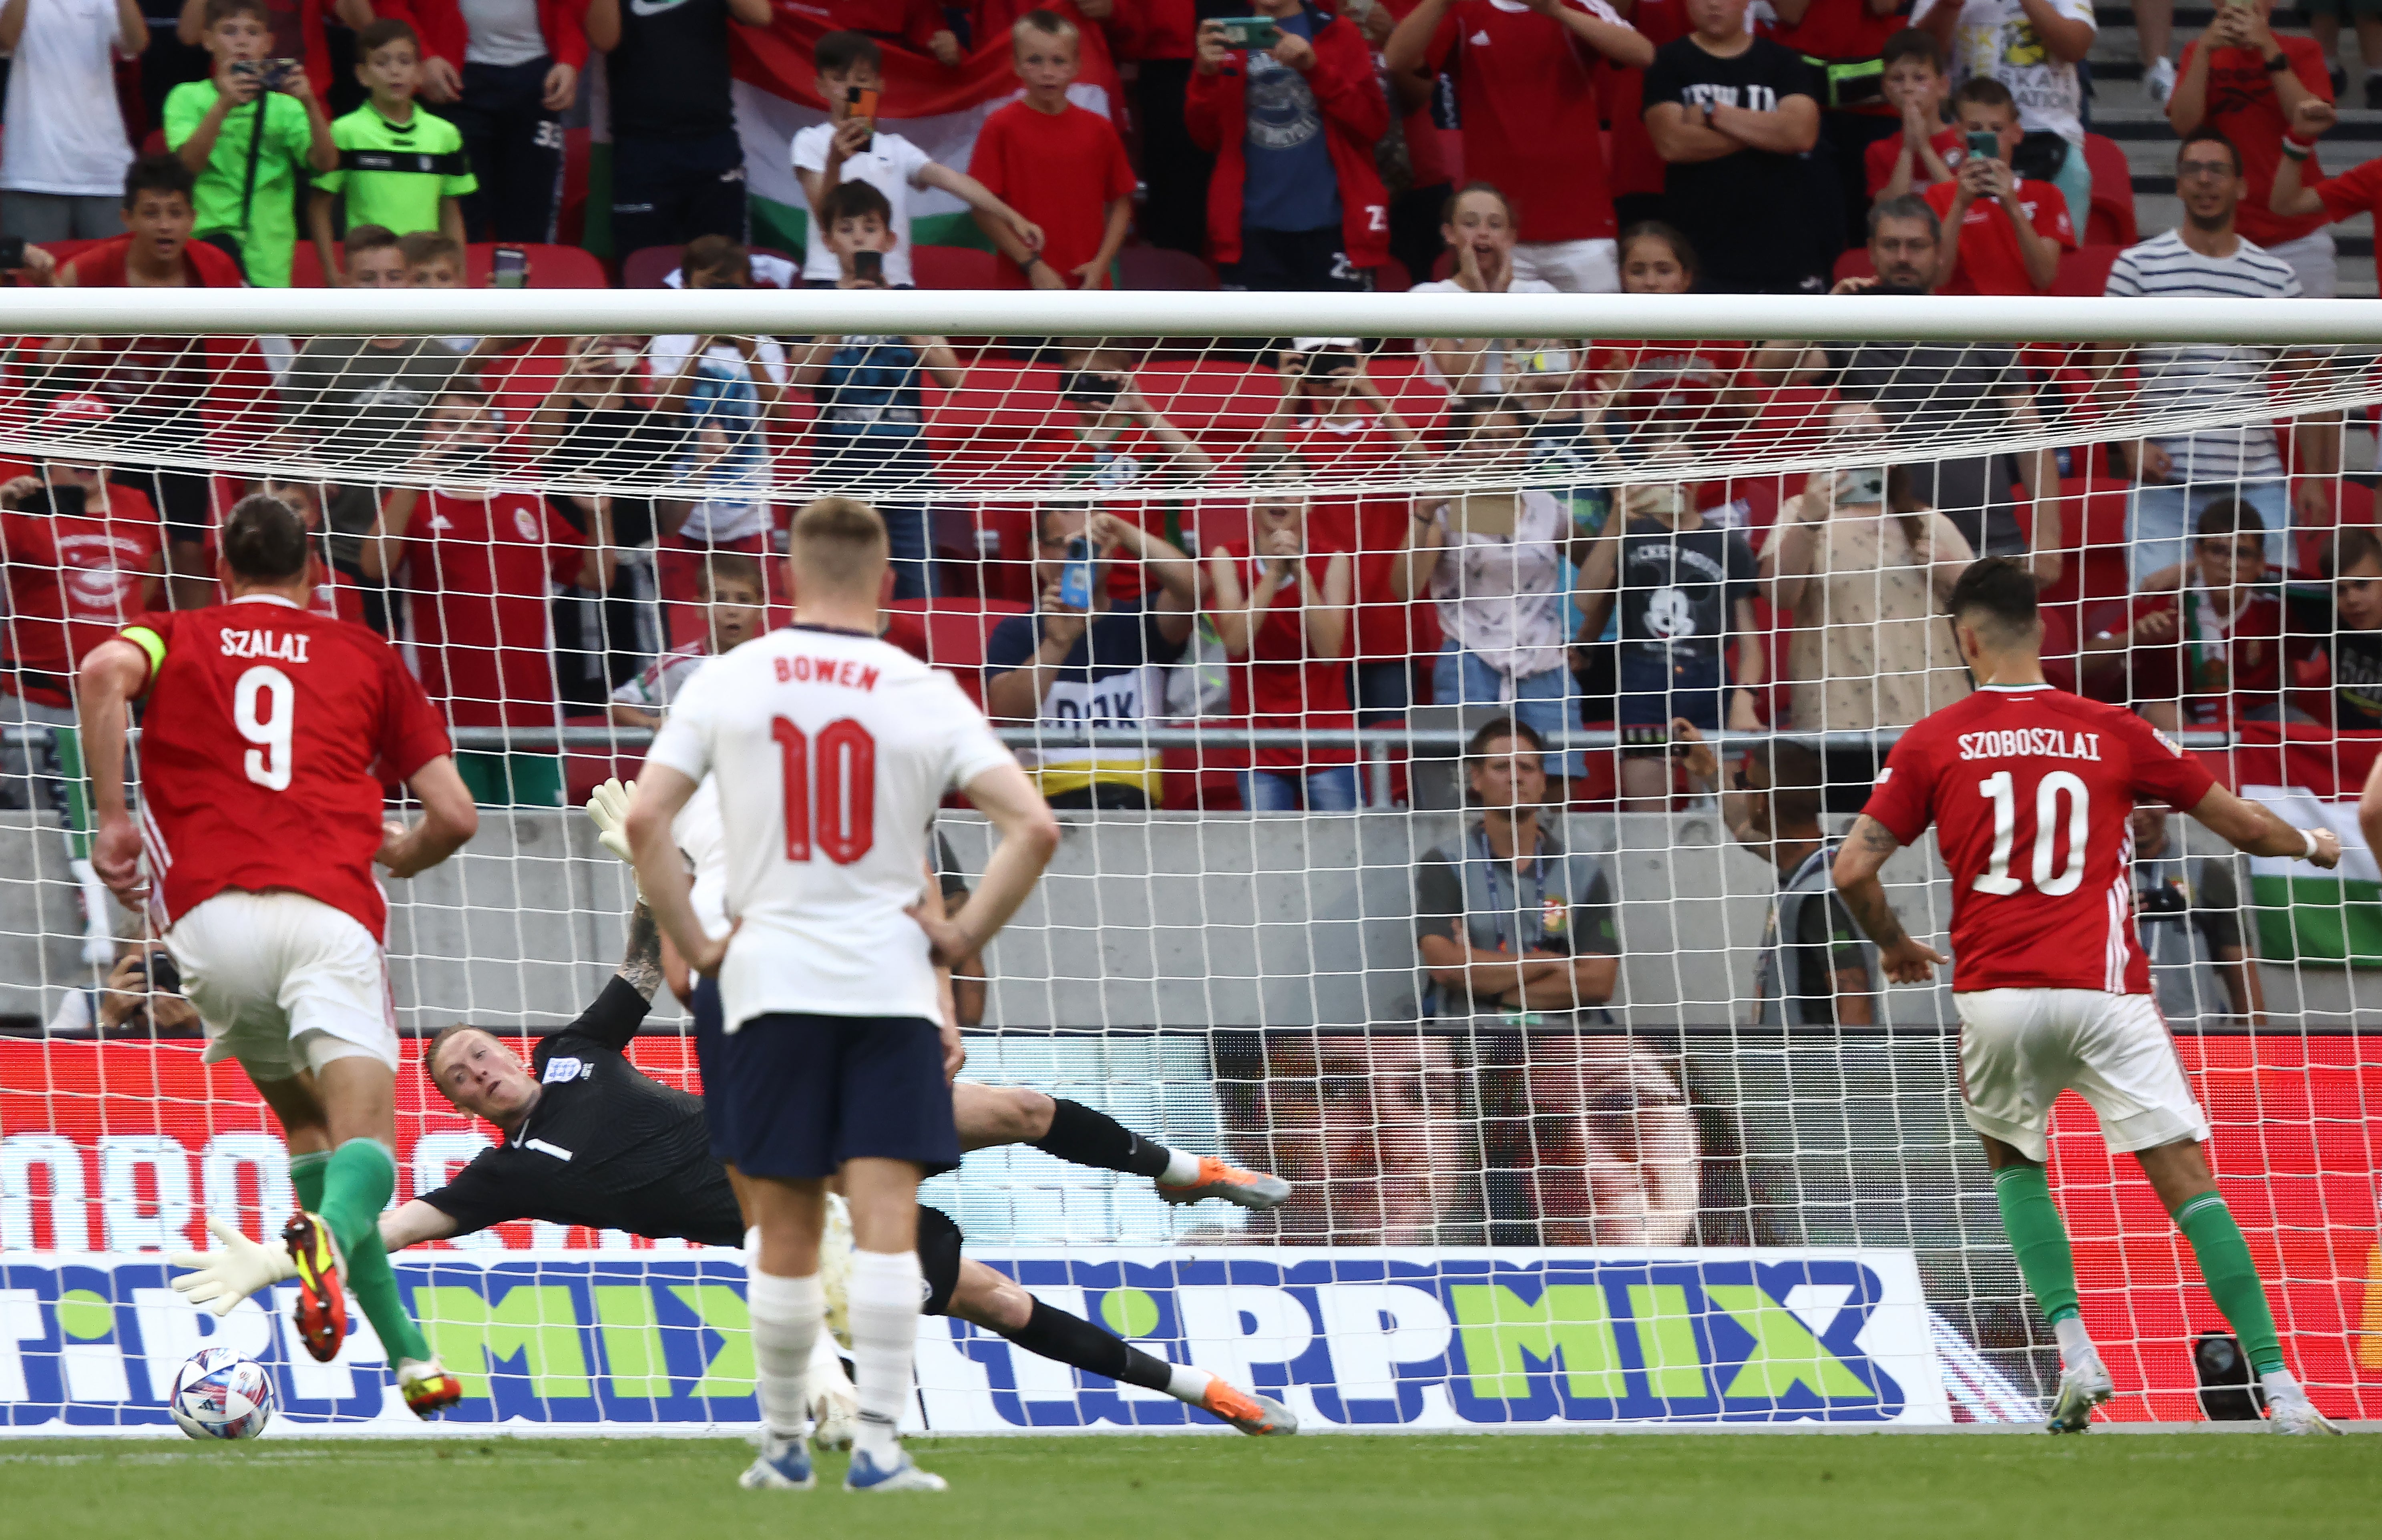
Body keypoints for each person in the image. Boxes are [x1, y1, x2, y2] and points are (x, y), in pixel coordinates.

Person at [169, 880, 1295, 1440]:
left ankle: (1169, 1164)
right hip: (807, 1225)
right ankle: (1200, 1388)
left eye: (480, 1052)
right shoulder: (503, 1175)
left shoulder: (572, 1052)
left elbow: (641, 965)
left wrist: (649, 864)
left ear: (510, 1051)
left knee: (1015, 1102)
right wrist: (280, 1264)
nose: (476, 1070)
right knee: (997, 1297)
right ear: (459, 1102)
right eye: (457, 1075)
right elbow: (392, 1225)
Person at [1831, 554, 2345, 1436]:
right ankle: (2283, 1389)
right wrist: (2313, 845)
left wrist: (1894, 946)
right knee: (2188, 1185)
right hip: (2105, 991)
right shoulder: (2110, 728)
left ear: (1964, 640)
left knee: (2014, 1163)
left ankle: (2076, 1353)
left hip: (1995, 996)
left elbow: (1850, 870)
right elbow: (2242, 824)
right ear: (2042, 632)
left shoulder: (1934, 738)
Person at [621, 495, 1065, 1493]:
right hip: (884, 987)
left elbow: (646, 820)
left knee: (779, 1228)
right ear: (889, 583)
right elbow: (1032, 829)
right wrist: (958, 934)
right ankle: (877, 1448)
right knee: (882, 1225)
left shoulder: (730, 679)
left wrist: (692, 940)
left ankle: (781, 1448)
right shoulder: (921, 687)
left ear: (783, 580)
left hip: (766, 979)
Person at [74, 493, 478, 1417]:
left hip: (210, 926)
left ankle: (412, 1358)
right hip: (326, 912)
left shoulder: (173, 632)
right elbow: (454, 814)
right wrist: (398, 850)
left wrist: (112, 817)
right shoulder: (367, 655)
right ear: (316, 575)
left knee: (311, 1135)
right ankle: (305, 1252)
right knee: (368, 1143)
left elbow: (101, 670)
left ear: (221, 570)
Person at [2095, 129, 2334, 585]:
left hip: (2256, 491)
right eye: (2193, 170)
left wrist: (2317, 479)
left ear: (2241, 186)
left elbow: (2310, 381)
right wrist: (2130, 442)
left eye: (2217, 170)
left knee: (2266, 630)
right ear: (2179, 184)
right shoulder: (2138, 266)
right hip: (2165, 493)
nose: (2205, 181)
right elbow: (2104, 366)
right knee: (2157, 626)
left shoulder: (2275, 276)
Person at [30, 155, 248, 611]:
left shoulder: (216, 273)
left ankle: (193, 643)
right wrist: (67, 350)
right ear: (127, 217)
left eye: (175, 212)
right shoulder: (87, 273)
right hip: (99, 424)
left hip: (179, 422)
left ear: (193, 216)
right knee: (102, 529)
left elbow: (243, 371)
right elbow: (40, 364)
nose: (164, 225)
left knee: (188, 547)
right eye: (151, 213)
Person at [1804, 196, 2059, 564]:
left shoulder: (1981, 325)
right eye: (1891, 245)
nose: (1903, 257)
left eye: (1916, 246)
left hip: (1985, 544)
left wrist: (2047, 541)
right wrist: (1823, 310)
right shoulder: (1848, 325)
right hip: (1880, 546)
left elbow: (2031, 438)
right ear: (1872, 253)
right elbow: (1773, 368)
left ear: (1939, 252)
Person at [377, 389, 599, 806]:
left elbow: (596, 577)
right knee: (457, 854)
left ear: (495, 435)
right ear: (427, 434)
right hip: (443, 721)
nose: (464, 434)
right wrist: (409, 485)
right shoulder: (416, 501)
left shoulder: (526, 501)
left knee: (540, 849)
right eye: (449, 424)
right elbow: (375, 567)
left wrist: (596, 514)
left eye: (477, 425)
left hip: (532, 719)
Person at [0, 399, 165, 948]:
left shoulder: (138, 505)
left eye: (98, 437)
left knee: (120, 813)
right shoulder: (24, 506)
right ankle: (55, 949)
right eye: (74, 437)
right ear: (50, 453)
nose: (87, 450)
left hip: (115, 702)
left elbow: (150, 584)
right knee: (42, 823)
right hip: (34, 696)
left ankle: (136, 937)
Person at [1382, 0, 1650, 292]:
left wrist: (1556, 10)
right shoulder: (1464, 10)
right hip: (1497, 231)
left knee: (1596, 336)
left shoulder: (1576, 3)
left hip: (1582, 226)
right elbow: (1396, 60)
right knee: (1496, 338)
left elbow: (1642, 54)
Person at [1394, 396, 1589, 778]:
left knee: (1555, 780)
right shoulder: (1445, 509)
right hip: (1470, 661)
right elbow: (1403, 588)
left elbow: (1605, 570)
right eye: (1483, 438)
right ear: (1460, 446)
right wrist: (1423, 513)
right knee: (1464, 785)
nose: (1497, 448)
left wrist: (1585, 638)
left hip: (1545, 665)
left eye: (1509, 438)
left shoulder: (1548, 507)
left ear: (1527, 445)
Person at [787, 180, 964, 600]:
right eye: (846, 229)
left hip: (909, 476)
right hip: (838, 475)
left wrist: (896, 313)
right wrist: (840, 314)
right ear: (828, 242)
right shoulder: (815, 302)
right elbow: (799, 380)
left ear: (890, 239)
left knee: (918, 598)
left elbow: (954, 378)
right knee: (838, 595)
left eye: (870, 227)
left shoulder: (909, 301)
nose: (859, 237)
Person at [983, 508, 1198, 810]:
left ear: (1109, 551)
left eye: (1087, 544)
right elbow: (1010, 718)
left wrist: (1121, 531)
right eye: (1065, 544)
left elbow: (1197, 587)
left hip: (1135, 806)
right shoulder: (1015, 632)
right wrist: (1057, 643)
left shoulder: (1141, 623)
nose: (1078, 557)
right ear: (1040, 552)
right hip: (1048, 808)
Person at [796, 32, 1042, 293]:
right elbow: (825, 215)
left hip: (894, 281)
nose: (851, 89)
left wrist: (1013, 217)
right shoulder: (810, 140)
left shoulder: (896, 147)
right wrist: (834, 162)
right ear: (820, 85)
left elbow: (954, 181)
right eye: (839, 79)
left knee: (925, 335)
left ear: (879, 85)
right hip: (830, 277)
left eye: (862, 79)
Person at [1413, 717, 1621, 1016]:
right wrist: (1549, 962)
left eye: (1526, 767)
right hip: (1474, 1041)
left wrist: (1483, 981)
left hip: (1564, 1045)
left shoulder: (1583, 872)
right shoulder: (1445, 863)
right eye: (1501, 767)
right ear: (1477, 778)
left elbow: (1599, 982)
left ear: (1542, 780)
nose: (1515, 778)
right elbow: (1447, 969)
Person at [1574, 480, 1762, 810]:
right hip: (1642, 689)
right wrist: (1616, 522)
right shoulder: (1630, 534)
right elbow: (1586, 601)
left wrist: (1745, 699)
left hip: (1710, 686)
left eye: (1683, 473)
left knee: (1727, 814)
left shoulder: (1727, 542)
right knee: (1649, 820)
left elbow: (1750, 643)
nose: (1673, 484)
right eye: (1661, 471)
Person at [1763, 452, 1975, 736]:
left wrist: (1953, 570)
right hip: (1838, 715)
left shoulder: (1929, 522)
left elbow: (1991, 609)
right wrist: (1808, 521)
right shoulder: (1799, 510)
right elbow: (1778, 596)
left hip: (1933, 711)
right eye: (1844, 437)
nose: (1858, 448)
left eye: (1868, 436)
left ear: (1893, 458)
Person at [1185, 0, 1391, 292]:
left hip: (1334, 227)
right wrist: (1204, 75)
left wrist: (1314, 68)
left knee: (1339, 340)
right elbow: (1204, 137)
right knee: (1258, 340)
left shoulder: (1337, 32)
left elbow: (1372, 125)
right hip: (1250, 232)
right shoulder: (1224, 36)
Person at [1680, 729, 1879, 1024]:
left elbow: (1854, 1000)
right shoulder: (1816, 862)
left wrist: (1846, 1071)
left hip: (1813, 1068)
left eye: (1744, 784)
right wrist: (1710, 770)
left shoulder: (1819, 896)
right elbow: (1745, 832)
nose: (1742, 794)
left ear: (1760, 800)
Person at [2082, 498, 2320, 731]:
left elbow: (2295, 658)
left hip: (2255, 713)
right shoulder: (2165, 601)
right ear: (2198, 554)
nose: (2230, 564)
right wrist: (2136, 637)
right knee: (2165, 717)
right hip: (2178, 709)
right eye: (2218, 551)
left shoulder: (2274, 608)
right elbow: (2082, 664)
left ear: (2261, 564)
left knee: (2309, 733)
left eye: (2243, 554)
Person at [649, 239, 790, 627]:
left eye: (733, 288)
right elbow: (664, 412)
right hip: (685, 515)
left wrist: (749, 352)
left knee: (754, 627)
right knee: (686, 627)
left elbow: (784, 415)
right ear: (688, 288)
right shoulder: (671, 341)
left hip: (749, 518)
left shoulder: (765, 346)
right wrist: (699, 346)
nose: (723, 298)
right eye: (713, 288)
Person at [1641, 0, 1824, 295]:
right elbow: (1671, 144)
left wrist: (1713, 113)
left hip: (1780, 245)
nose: (1714, 4)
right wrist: (1766, 136)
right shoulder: (1668, 61)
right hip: (1698, 247)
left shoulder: (1782, 61)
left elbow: (1801, 135)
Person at [377, 0, 588, 243]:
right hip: (454, 77)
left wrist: (570, 60)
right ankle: (460, 281)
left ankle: (524, 280)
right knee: (459, 212)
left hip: (538, 78)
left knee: (530, 216)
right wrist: (422, 56)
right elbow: (390, 6)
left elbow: (574, 10)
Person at [2166, 0, 2337, 298]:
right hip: (2224, 233)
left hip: (2297, 232)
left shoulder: (2302, 50)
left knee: (2308, 343)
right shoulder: (2197, 52)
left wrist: (2268, 49)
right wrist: (2205, 51)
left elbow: (2307, 119)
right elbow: (2184, 127)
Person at [1206, 484, 1359, 811]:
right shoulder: (1227, 557)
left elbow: (1330, 652)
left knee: (1343, 854)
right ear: (1250, 501)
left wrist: (1299, 570)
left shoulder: (1333, 559)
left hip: (1326, 742)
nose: (1279, 498)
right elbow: (1235, 642)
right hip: (1258, 746)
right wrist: (1274, 572)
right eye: (1269, 489)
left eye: (1291, 490)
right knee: (1269, 859)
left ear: (1309, 503)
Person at [163, 0, 338, 286]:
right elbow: (186, 167)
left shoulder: (287, 108)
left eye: (252, 33)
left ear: (269, 44)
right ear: (208, 40)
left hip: (269, 255)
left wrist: (309, 103)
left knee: (269, 332)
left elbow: (326, 164)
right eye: (229, 31)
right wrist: (223, 106)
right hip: (205, 246)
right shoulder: (186, 97)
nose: (242, 41)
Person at [583, 0, 772, 259]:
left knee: (722, 267)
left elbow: (761, 15)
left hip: (711, 142)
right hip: (641, 149)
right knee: (642, 267)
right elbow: (603, 40)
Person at [967, 10, 1136, 289]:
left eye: (1059, 61)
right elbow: (982, 208)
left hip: (1088, 285)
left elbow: (1122, 201)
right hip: (1024, 289)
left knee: (1090, 335)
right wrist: (1031, 265)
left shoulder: (1099, 129)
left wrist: (1101, 265)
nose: (1048, 72)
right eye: (1034, 60)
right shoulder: (1000, 126)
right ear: (1016, 65)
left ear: (1077, 65)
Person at [308, 19, 473, 285]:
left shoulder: (444, 134)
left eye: (405, 62)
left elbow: (451, 210)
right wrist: (331, 272)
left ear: (420, 72)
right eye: (382, 63)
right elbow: (319, 207)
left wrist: (459, 274)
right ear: (362, 74)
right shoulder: (344, 131)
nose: (394, 72)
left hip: (424, 276)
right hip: (373, 275)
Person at [1917, 0, 2095, 236]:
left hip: (2053, 136)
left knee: (2061, 257)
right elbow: (1918, 56)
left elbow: (2075, 47)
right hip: (1972, 137)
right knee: (1971, 249)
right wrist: (1948, 6)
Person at [1766, 0, 1914, 254]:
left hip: (1877, 108)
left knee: (1878, 222)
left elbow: (1884, 5)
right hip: (1807, 105)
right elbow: (1790, 12)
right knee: (1813, 219)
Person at [0, 0, 147, 240]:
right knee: (31, 276)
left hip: (105, 170)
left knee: (115, 276)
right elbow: (6, 39)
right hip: (33, 170)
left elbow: (136, 43)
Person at [1406, 184, 1560, 393]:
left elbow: (1554, 375)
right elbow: (1466, 387)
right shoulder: (1428, 297)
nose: (1483, 233)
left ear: (1511, 237)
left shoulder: (1541, 294)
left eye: (1495, 225)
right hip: (1467, 420)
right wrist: (1483, 298)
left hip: (1531, 418)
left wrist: (1501, 298)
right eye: (1470, 224)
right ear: (1449, 233)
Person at [1928, 76, 2073, 295]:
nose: (1988, 137)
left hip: (2027, 323)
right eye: (1975, 128)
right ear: (1958, 132)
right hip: (1963, 322)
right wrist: (1959, 205)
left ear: (2017, 134)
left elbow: (2044, 277)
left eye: (1997, 129)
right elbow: (1937, 277)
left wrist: (2012, 206)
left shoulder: (2047, 195)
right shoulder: (1938, 196)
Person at [2127, 803, 2264, 1026]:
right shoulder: (2091, 876)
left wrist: (2258, 1053)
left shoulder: (2204, 872)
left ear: (2166, 803)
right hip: (2120, 1033)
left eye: (2147, 801)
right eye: (2128, 803)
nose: (2138, 815)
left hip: (2197, 1033)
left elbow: (2242, 977)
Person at [609, 553, 766, 731]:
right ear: (700, 608)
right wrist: (654, 723)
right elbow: (618, 703)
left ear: (761, 609)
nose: (732, 610)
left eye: (744, 600)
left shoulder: (775, 662)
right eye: (720, 599)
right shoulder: (679, 664)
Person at [1866, 26, 1961, 201]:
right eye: (1897, 79)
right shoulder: (1879, 151)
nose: (1908, 88)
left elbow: (1965, 207)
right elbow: (1891, 212)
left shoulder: (1964, 140)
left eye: (1919, 78)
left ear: (1943, 87)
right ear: (1886, 89)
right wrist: (1908, 150)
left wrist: (1925, 148)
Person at [2316, 525, 2382, 728]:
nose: (2352, 599)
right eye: (2340, 590)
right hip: (2346, 749)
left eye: (2362, 585)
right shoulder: (2326, 615)